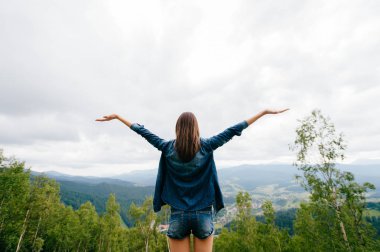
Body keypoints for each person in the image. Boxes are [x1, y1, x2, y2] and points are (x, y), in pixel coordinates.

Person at [96, 108, 289, 252]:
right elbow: (233, 129)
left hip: (178, 215)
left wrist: (118, 117)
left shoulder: (167, 148)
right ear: (196, 127)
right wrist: (263, 112)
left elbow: (142, 131)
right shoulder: (207, 146)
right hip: (203, 215)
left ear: (177, 128)